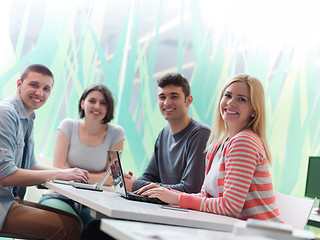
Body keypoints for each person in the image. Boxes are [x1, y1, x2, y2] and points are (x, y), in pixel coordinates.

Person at [135, 74, 282, 222]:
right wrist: (165, 192)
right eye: (228, 95)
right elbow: (205, 196)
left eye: (242, 99)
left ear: (254, 111)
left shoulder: (244, 141)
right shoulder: (219, 143)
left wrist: (177, 198)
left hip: (260, 234)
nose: (231, 102)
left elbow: (230, 207)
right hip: (232, 229)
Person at [0, 64, 89, 239]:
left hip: (10, 199)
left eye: (46, 88)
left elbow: (30, 164)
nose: (40, 93)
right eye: (34, 85)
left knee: (75, 220)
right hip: (3, 203)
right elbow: (5, 176)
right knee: (69, 228)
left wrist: (68, 173)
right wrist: (56, 174)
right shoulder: (6, 113)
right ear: (19, 84)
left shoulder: (28, 116)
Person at [39, 83, 125, 231]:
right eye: (92, 101)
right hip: (60, 196)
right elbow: (58, 168)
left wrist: (73, 174)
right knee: (68, 224)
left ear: (108, 107)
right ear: (82, 103)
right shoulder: (68, 126)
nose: (97, 106)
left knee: (96, 227)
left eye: (103, 103)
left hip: (94, 202)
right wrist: (96, 178)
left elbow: (111, 178)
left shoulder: (116, 133)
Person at [124, 72, 211, 194]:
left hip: (185, 212)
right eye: (162, 97)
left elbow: (190, 189)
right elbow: (149, 176)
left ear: (188, 100)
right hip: (164, 208)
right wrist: (129, 182)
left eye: (174, 96)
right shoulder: (164, 134)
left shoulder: (201, 134)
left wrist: (137, 185)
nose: (166, 103)